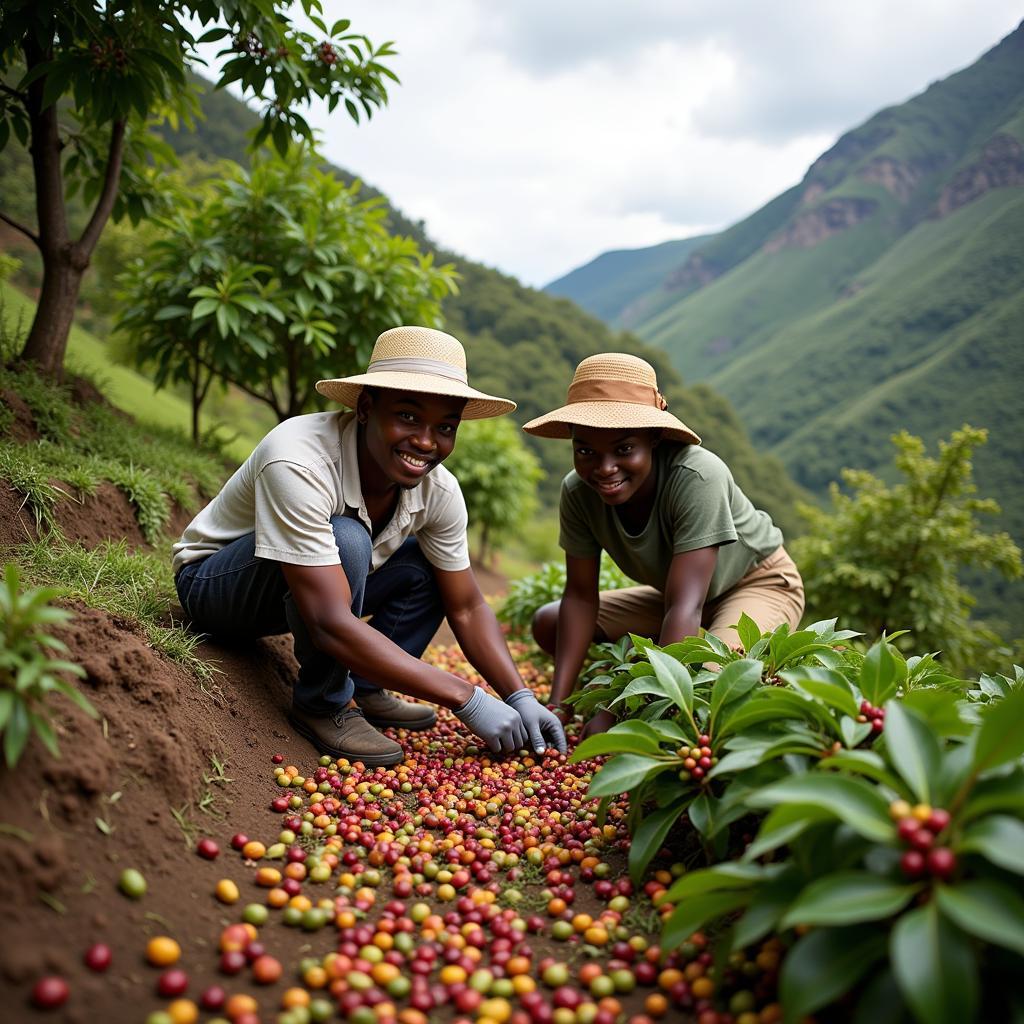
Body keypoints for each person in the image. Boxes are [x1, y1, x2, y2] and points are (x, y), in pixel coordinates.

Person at [173, 326, 566, 766]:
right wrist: (466, 697)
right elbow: (328, 622)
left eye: (445, 427)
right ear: (365, 408)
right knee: (348, 538)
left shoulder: (440, 491)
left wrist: (519, 695)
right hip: (217, 589)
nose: (425, 442)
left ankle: (363, 685)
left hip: (309, 592)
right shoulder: (299, 458)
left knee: (428, 567)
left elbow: (468, 607)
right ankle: (324, 703)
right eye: (409, 417)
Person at [522, 352, 804, 733]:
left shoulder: (697, 476)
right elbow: (580, 597)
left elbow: (685, 607)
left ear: (653, 439)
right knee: (550, 622)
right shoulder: (577, 492)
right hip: (679, 597)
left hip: (755, 584)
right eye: (586, 451)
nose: (604, 469)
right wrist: (559, 706)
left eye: (624, 450)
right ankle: (642, 660)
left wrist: (623, 710)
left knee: (708, 682)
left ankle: (659, 664)